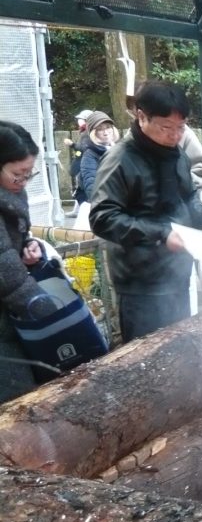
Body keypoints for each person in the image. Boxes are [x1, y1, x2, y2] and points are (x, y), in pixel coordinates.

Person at [90, 81, 202, 343]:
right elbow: (102, 217)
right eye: (166, 127)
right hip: (141, 285)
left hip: (177, 275)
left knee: (179, 352)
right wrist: (161, 234)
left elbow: (188, 196)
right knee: (146, 362)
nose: (175, 135)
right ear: (141, 116)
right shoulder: (120, 160)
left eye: (181, 127)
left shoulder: (176, 153)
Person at [0, 121, 60, 401]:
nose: (23, 181)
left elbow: (13, 242)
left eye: (28, 174)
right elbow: (4, 267)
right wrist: (44, 307)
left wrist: (29, 246)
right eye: (17, 174)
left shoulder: (11, 190)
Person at [77, 111, 120, 201]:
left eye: (108, 127)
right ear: (93, 133)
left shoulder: (120, 150)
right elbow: (91, 185)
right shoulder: (89, 155)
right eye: (100, 129)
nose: (106, 132)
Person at [65, 109, 92, 207]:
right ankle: (79, 210)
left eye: (80, 119)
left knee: (82, 190)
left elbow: (84, 148)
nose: (78, 121)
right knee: (80, 189)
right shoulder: (84, 132)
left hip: (84, 163)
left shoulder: (88, 133)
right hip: (81, 161)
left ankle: (83, 211)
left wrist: (72, 144)